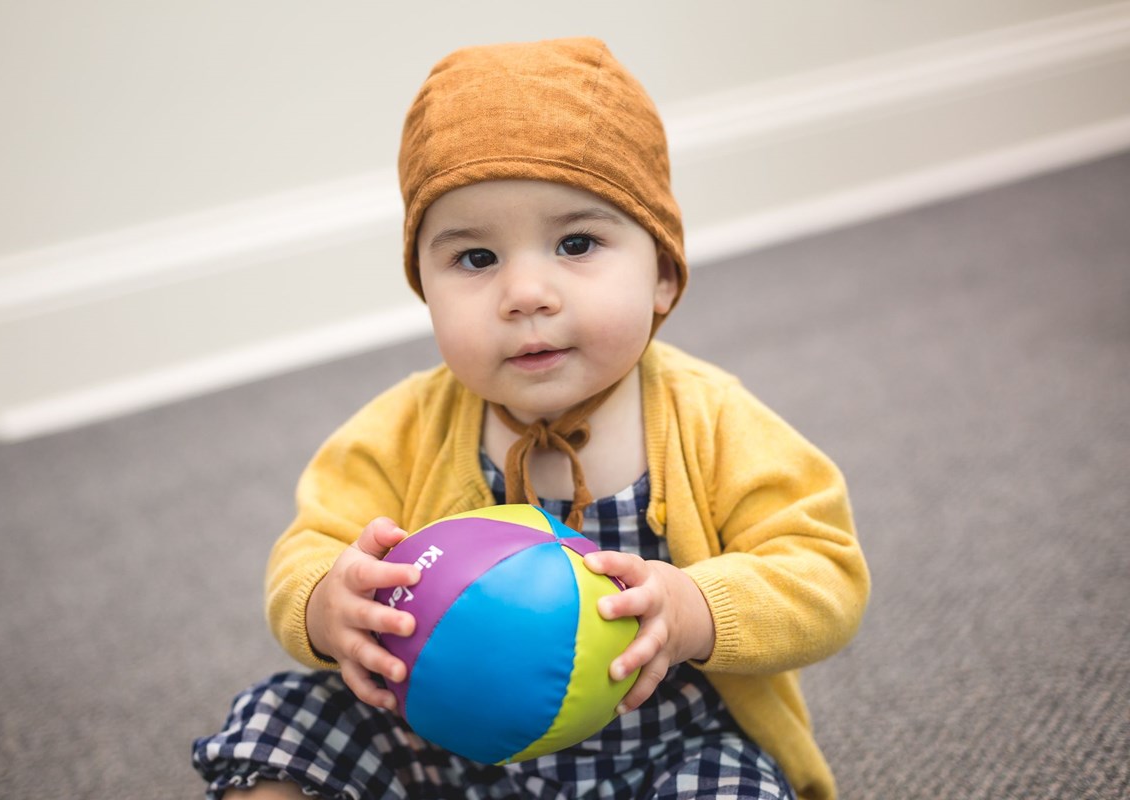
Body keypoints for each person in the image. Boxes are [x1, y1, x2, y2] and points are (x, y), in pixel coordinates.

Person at [193, 37, 869, 800]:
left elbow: (824, 571)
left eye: (575, 243)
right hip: (445, 744)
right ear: (425, 287)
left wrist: (696, 608)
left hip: (662, 748)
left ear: (664, 276)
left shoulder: (711, 420)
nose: (525, 292)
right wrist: (326, 603)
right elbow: (308, 546)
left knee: (731, 788)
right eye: (475, 259)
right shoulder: (403, 429)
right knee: (281, 721)